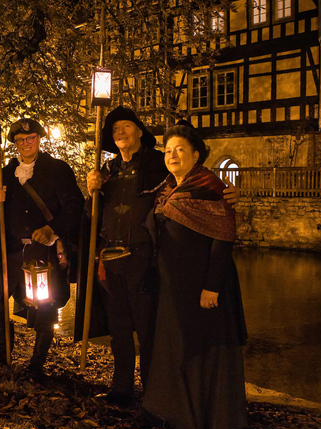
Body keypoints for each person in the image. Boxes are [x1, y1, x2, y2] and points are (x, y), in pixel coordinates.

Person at [81, 107, 238, 406]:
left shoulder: (159, 164)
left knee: (149, 332)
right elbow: (92, 216)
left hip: (144, 261)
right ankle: (121, 389)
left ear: (140, 131)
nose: (120, 132)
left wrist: (228, 193)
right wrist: (92, 192)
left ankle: (153, 393)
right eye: (115, 129)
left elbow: (193, 181)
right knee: (119, 330)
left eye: (127, 126)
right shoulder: (107, 170)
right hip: (109, 262)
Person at [142, 123, 248, 429]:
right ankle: (171, 415)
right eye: (168, 150)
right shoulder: (166, 189)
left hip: (201, 286)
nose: (172, 155)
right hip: (173, 285)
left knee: (200, 351)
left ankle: (201, 424)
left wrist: (211, 286)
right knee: (174, 349)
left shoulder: (211, 187)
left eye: (180, 150)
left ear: (196, 155)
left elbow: (223, 238)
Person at [0, 118, 84, 378]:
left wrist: (52, 229)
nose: (25, 143)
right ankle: (3, 348)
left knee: (45, 307)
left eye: (30, 138)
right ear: (14, 144)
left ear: (39, 139)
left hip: (43, 252)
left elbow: (75, 206)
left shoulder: (58, 169)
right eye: (20, 140)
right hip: (12, 251)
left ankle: (37, 363)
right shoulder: (6, 172)